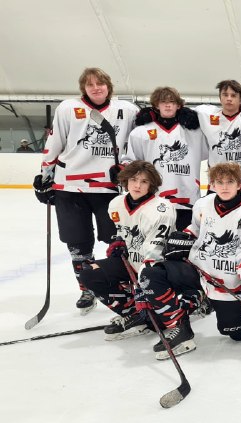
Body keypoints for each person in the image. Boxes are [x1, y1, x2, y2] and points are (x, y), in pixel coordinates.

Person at [32, 67, 139, 314]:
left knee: (116, 241)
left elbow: (140, 137)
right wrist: (45, 176)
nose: (96, 88)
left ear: (109, 86)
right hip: (69, 187)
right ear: (84, 88)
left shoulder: (127, 110)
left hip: (109, 189)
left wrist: (126, 167)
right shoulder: (68, 108)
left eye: (100, 83)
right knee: (78, 243)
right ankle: (87, 289)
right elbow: (55, 142)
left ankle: (120, 287)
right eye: (90, 84)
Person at [143, 162, 241, 358]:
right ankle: (180, 327)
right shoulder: (203, 204)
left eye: (230, 182)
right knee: (151, 275)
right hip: (198, 270)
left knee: (236, 333)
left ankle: (203, 300)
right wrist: (184, 237)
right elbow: (195, 228)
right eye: (219, 182)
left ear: (239, 184)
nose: (224, 187)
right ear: (212, 185)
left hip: (228, 281)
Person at [78, 161, 176, 341]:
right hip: (132, 262)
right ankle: (133, 313)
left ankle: (155, 311)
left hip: (158, 270)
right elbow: (122, 231)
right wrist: (119, 242)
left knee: (159, 323)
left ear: (152, 184)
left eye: (144, 181)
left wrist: (142, 288)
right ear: (126, 180)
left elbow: (155, 252)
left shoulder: (161, 209)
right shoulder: (116, 204)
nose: (137, 185)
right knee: (89, 273)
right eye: (133, 180)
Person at [124, 87, 208, 231]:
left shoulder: (195, 132)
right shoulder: (141, 132)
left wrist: (197, 117)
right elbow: (132, 162)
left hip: (187, 199)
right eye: (163, 101)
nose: (168, 105)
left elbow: (215, 132)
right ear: (156, 105)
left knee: (184, 242)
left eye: (172, 102)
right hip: (154, 200)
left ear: (179, 105)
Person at [195, 80, 241, 173]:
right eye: (225, 95)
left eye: (233, 95)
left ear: (240, 99)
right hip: (217, 179)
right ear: (220, 97)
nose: (229, 98)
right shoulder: (207, 115)